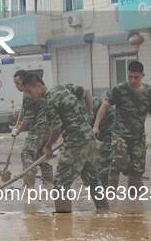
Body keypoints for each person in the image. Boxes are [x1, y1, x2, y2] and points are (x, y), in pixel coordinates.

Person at [23, 74, 108, 213]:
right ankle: (105, 212)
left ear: (38, 86)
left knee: (60, 185)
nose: (30, 95)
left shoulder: (49, 101)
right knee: (93, 181)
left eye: (29, 91)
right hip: (89, 139)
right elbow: (86, 92)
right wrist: (90, 114)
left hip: (76, 143)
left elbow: (56, 129)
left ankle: (63, 225)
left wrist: (48, 146)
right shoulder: (62, 88)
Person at [93, 61, 151, 187]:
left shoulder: (148, 91)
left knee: (138, 167)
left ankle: (134, 197)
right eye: (130, 77)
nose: (132, 80)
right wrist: (96, 126)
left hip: (138, 136)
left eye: (136, 77)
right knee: (117, 163)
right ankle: (111, 196)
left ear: (142, 75)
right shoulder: (119, 89)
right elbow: (105, 105)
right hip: (120, 134)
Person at [11, 70, 53, 187]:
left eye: (18, 83)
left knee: (27, 153)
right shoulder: (41, 91)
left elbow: (29, 118)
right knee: (41, 154)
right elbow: (33, 111)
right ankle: (48, 182)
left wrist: (17, 131)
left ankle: (29, 184)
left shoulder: (27, 94)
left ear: (25, 82)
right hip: (49, 128)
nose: (17, 86)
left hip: (39, 128)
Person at [92, 98, 115, 187]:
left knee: (105, 156)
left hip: (108, 125)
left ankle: (105, 187)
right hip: (99, 126)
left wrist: (95, 126)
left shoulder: (92, 106)